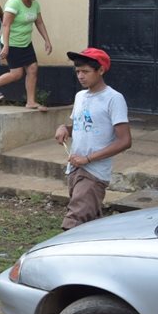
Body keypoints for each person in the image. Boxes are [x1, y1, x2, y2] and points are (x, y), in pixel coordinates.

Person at [54, 48, 132, 230]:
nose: (80, 76)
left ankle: (63, 255)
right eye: (78, 71)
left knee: (73, 223)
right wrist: (64, 128)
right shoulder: (80, 96)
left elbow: (125, 141)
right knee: (90, 225)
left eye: (86, 72)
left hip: (94, 172)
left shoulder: (113, 99)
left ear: (101, 71)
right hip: (74, 169)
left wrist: (88, 159)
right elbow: (82, 125)